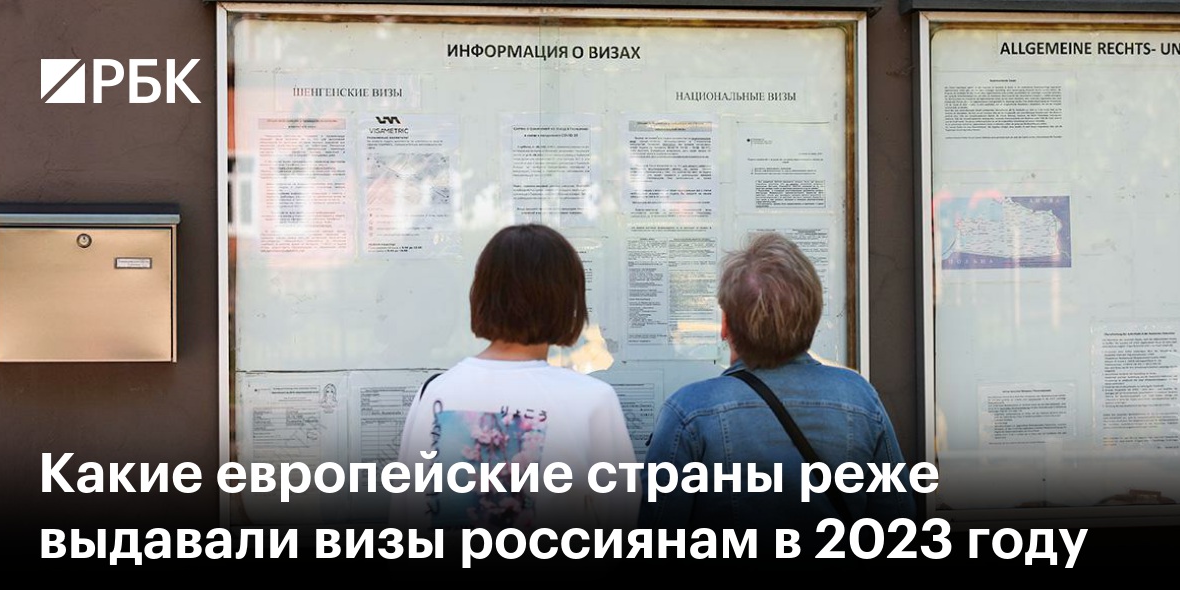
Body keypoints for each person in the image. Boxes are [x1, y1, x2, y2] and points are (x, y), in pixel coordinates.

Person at [638, 232, 915, 549]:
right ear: (812, 318)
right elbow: (898, 529)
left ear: (725, 325)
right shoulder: (860, 399)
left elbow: (654, 541)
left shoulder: (689, 413)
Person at [390, 223, 639, 534]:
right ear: (567, 301)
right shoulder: (591, 401)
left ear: (481, 294)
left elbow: (404, 519)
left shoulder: (434, 393)